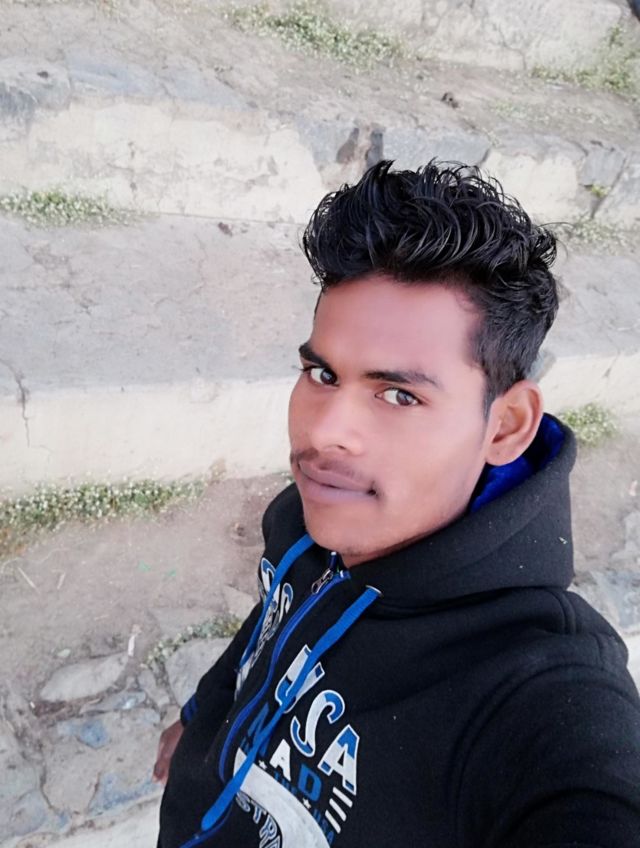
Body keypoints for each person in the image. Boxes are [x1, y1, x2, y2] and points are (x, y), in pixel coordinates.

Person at [154, 160, 640, 847]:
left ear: (506, 426)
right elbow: (274, 625)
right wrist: (204, 713)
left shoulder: (539, 694)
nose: (326, 433)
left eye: (399, 394)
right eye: (322, 373)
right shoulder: (310, 519)